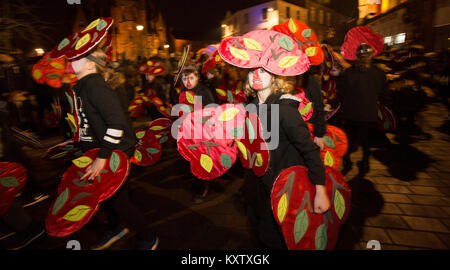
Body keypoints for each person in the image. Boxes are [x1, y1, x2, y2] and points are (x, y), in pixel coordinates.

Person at [70, 48, 158, 250]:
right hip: (97, 152)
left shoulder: (95, 85)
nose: (73, 61)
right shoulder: (83, 86)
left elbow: (117, 122)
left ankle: (148, 237)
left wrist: (103, 156)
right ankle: (116, 227)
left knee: (120, 201)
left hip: (112, 153)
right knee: (105, 197)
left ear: (92, 64)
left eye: (79, 58)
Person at [243, 68, 330, 249]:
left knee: (274, 238)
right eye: (252, 72)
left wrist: (320, 190)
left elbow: (309, 150)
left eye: (263, 71)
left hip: (279, 186)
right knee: (256, 232)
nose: (256, 76)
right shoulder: (250, 107)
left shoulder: (285, 110)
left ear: (275, 76)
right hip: (255, 187)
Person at [337, 43, 391, 177]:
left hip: (351, 114)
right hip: (369, 113)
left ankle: (347, 162)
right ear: (371, 56)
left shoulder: (348, 73)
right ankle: (365, 163)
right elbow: (384, 94)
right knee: (366, 141)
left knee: (349, 140)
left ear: (357, 56)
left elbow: (341, 92)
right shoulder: (379, 73)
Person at [178, 65, 215, 204]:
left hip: (202, 132)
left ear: (197, 78)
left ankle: (201, 189)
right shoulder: (181, 91)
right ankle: (197, 181)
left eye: (191, 78)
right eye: (184, 78)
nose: (188, 81)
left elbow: (212, 111)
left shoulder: (204, 92)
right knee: (191, 159)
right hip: (187, 132)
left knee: (201, 159)